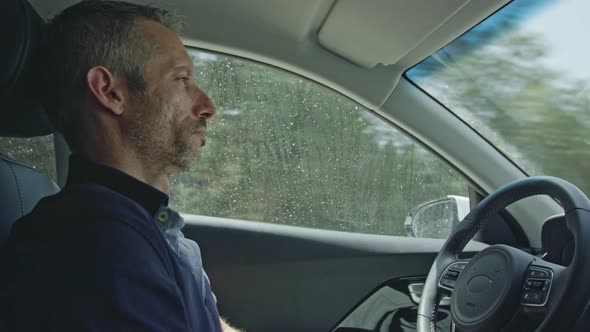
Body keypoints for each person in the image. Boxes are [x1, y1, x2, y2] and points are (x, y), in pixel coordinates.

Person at [0, 1, 242, 331]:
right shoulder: (96, 243)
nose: (208, 107)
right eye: (181, 78)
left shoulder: (144, 222)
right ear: (109, 91)